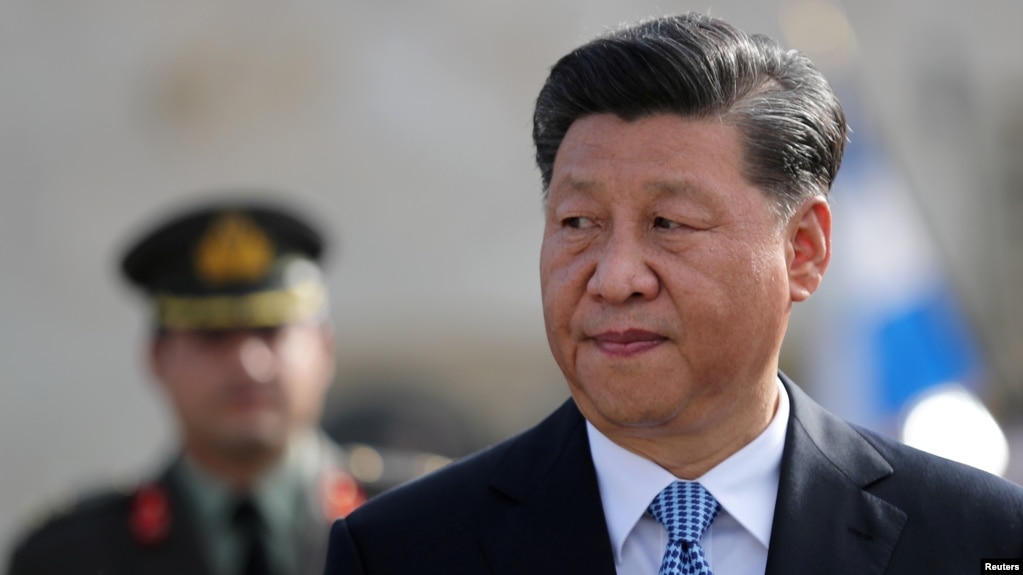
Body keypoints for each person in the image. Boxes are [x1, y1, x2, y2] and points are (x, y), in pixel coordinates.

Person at [322, 12, 1023, 575]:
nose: (615, 275)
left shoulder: (978, 538)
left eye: (669, 224)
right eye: (578, 224)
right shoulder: (400, 550)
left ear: (802, 250)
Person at [8, 198, 366, 575]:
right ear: (157, 357)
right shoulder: (67, 558)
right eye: (212, 336)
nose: (247, 364)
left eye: (270, 331)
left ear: (325, 347)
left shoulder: (413, 523)